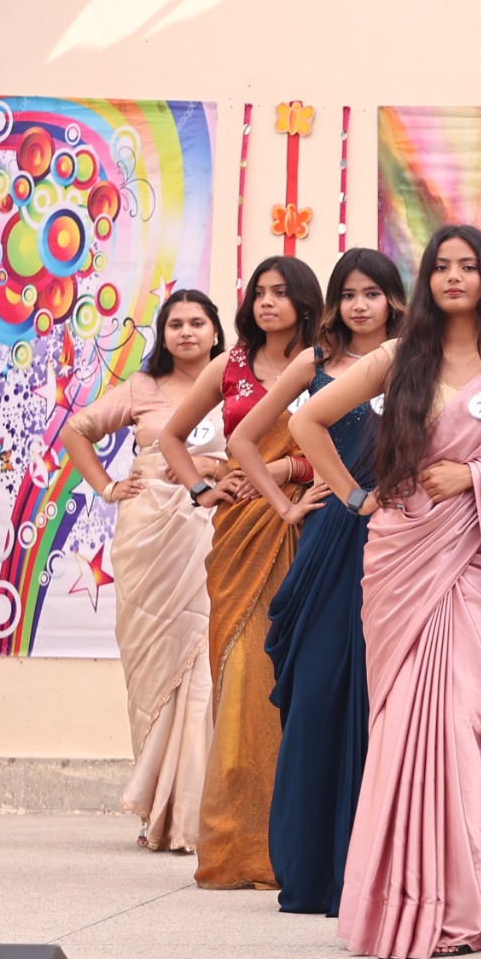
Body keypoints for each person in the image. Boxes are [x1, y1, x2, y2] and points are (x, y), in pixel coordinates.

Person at [292, 226, 481, 959]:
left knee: (463, 721)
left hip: (475, 562)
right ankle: (405, 903)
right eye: (441, 266)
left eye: (467, 266)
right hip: (401, 557)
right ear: (426, 281)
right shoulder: (397, 358)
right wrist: (355, 497)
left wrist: (475, 476)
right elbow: (306, 421)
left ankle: (456, 902)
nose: (453, 277)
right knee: (402, 729)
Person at [239, 249, 403, 916]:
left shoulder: (415, 361)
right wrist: (285, 506)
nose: (360, 305)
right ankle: (308, 870)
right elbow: (245, 440)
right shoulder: (315, 362)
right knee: (314, 696)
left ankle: (368, 869)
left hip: (396, 541)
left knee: (376, 698)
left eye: (373, 293)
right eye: (349, 294)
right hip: (332, 537)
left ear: (394, 299)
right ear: (335, 302)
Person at [159, 256, 321, 891]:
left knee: (305, 681)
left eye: (281, 293)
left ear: (305, 300)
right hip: (243, 534)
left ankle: (301, 845)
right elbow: (172, 437)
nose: (268, 302)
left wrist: (288, 470)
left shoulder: (326, 363)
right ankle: (240, 847)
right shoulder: (230, 367)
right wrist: (203, 489)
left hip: (313, 526)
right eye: (259, 293)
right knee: (246, 680)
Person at [57, 289, 228, 853]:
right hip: (149, 537)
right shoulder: (142, 387)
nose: (187, 332)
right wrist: (108, 487)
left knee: (206, 666)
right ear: (164, 333)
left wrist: (214, 469)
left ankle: (200, 814)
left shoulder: (236, 382)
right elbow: (76, 431)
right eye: (176, 324)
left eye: (197, 322)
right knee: (154, 671)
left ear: (215, 330)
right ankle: (160, 808)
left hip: (213, 532)